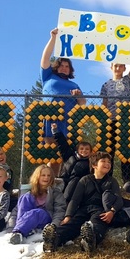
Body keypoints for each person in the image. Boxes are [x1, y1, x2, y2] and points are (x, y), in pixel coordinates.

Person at [42, 152, 130, 253]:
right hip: (84, 208)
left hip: (100, 209)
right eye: (103, 161)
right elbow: (75, 200)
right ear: (94, 165)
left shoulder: (112, 181)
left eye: (109, 162)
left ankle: (90, 241)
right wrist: (68, 216)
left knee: (98, 224)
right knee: (72, 224)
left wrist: (112, 211)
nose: (107, 164)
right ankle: (54, 239)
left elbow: (119, 199)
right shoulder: (84, 180)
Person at [40, 27, 86, 177]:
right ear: (56, 66)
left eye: (67, 66)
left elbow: (83, 103)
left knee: (61, 155)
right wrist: (53, 38)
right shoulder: (48, 76)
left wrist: (78, 95)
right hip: (50, 118)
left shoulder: (74, 85)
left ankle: (56, 182)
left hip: (67, 121)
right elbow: (45, 58)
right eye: (62, 65)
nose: (64, 68)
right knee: (48, 152)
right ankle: (44, 181)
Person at [100, 34, 130, 182]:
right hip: (110, 120)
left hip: (126, 120)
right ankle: (107, 181)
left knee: (126, 152)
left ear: (124, 67)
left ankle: (127, 182)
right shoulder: (105, 85)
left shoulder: (128, 80)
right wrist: (104, 121)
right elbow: (103, 104)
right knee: (109, 152)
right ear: (111, 67)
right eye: (115, 65)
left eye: (121, 65)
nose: (118, 68)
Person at [9, 165, 67, 245]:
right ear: (37, 177)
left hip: (45, 218)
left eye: (48, 175)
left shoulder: (55, 193)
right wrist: (10, 227)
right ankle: (18, 233)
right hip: (29, 219)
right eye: (43, 175)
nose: (46, 178)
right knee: (25, 198)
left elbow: (59, 210)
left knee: (37, 212)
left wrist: (54, 226)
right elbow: (17, 211)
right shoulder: (30, 193)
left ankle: (20, 230)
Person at [51, 122, 92, 203]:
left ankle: (66, 203)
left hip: (76, 185)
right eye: (82, 149)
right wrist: (55, 131)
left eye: (87, 149)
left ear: (90, 152)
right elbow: (62, 145)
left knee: (74, 182)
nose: (84, 151)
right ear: (78, 150)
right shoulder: (70, 156)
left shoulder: (90, 162)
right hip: (64, 180)